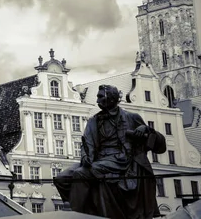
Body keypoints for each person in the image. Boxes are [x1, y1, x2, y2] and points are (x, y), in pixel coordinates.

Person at [54, 84, 166, 219]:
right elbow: (86, 143)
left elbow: (160, 146)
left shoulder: (131, 117)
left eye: (100, 97)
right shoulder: (93, 121)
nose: (97, 101)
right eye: (97, 97)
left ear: (112, 99)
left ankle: (75, 216)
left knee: (80, 174)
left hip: (121, 159)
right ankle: (87, 209)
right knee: (61, 178)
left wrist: (147, 130)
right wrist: (85, 157)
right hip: (97, 159)